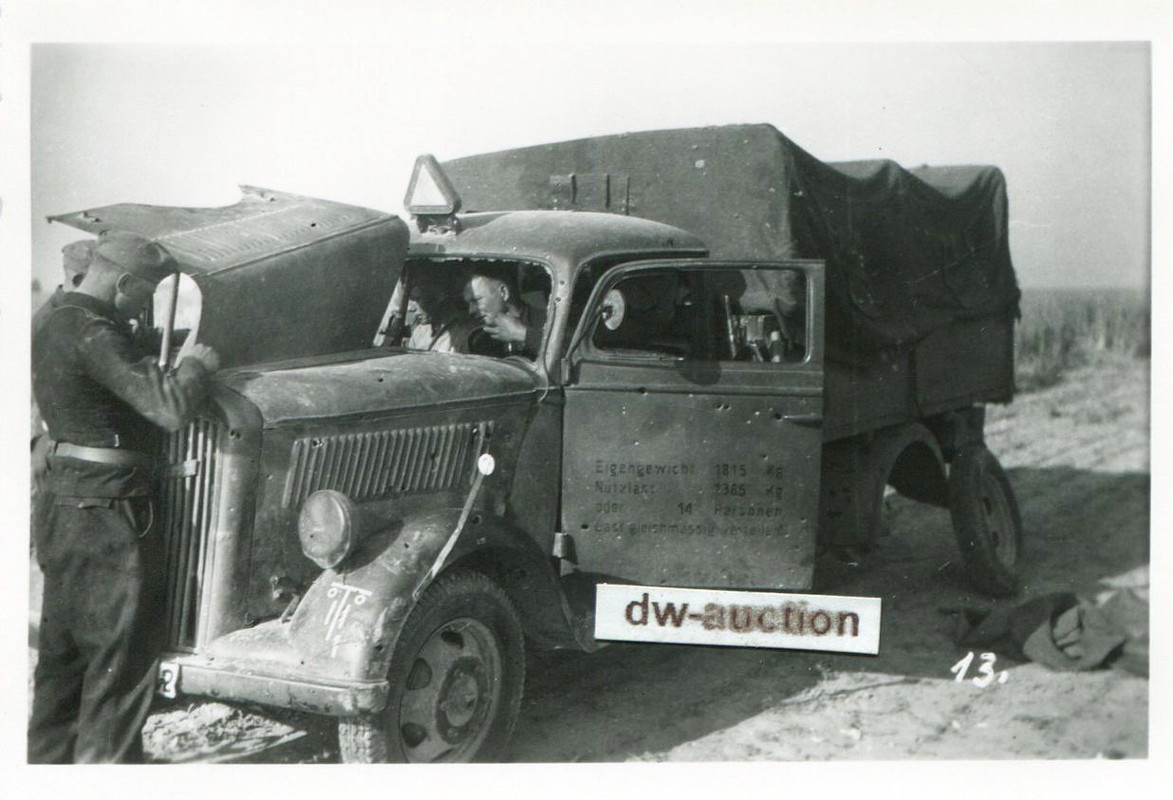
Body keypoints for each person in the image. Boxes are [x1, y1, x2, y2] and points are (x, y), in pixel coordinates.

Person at [29, 230, 221, 763]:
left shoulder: (49, 318)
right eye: (142, 296)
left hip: (62, 505)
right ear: (124, 281)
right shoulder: (92, 331)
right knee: (117, 670)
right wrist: (196, 366)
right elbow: (168, 409)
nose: (141, 310)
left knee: (62, 670)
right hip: (109, 512)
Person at [463, 265, 547, 358]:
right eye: (469, 303)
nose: (471, 310)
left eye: (477, 300)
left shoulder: (548, 322)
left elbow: (563, 354)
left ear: (503, 292)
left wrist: (522, 334)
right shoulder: (480, 340)